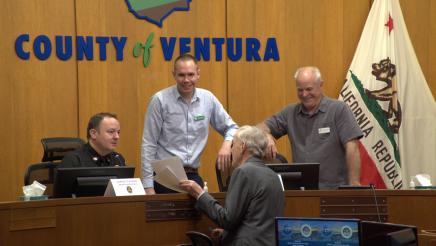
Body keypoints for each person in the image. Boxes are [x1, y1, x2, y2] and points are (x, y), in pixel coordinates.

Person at [141, 54, 238, 194]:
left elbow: (233, 128)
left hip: (193, 177)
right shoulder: (159, 101)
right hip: (164, 179)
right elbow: (148, 144)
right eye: (181, 75)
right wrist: (148, 187)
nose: (186, 80)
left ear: (198, 74)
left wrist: (227, 144)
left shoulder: (208, 99)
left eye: (191, 74)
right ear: (174, 75)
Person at [258, 66, 363, 189]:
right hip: (304, 193)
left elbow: (352, 148)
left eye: (309, 89)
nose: (304, 94)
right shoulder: (290, 113)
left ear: (321, 85)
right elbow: (259, 128)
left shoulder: (339, 110)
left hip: (335, 191)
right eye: (300, 90)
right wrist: (266, 135)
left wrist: (354, 184)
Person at [179, 125, 284, 245]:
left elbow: (227, 220)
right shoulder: (273, 176)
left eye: (233, 145)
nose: (231, 150)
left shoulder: (243, 172)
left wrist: (200, 194)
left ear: (243, 146)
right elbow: (257, 219)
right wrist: (227, 232)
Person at [59, 112, 125, 167]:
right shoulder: (74, 161)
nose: (117, 137)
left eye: (118, 132)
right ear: (93, 133)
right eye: (111, 132)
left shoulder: (118, 159)